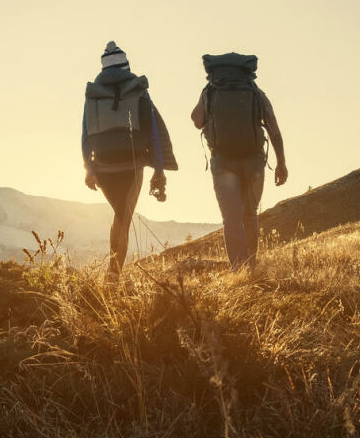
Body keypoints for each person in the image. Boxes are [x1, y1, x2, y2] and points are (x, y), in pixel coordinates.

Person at [81, 42, 177, 279]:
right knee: (123, 217)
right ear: (126, 65)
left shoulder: (94, 94)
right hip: (132, 165)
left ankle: (113, 273)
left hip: (102, 167)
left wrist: (88, 168)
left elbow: (85, 135)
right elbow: (152, 131)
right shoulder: (138, 91)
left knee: (120, 215)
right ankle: (113, 275)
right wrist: (159, 167)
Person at [190, 52, 287, 269]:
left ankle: (237, 268)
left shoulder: (210, 91)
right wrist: (281, 163)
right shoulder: (255, 92)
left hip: (223, 162)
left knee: (231, 218)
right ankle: (250, 266)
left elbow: (197, 120)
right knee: (249, 214)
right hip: (253, 161)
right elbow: (273, 127)